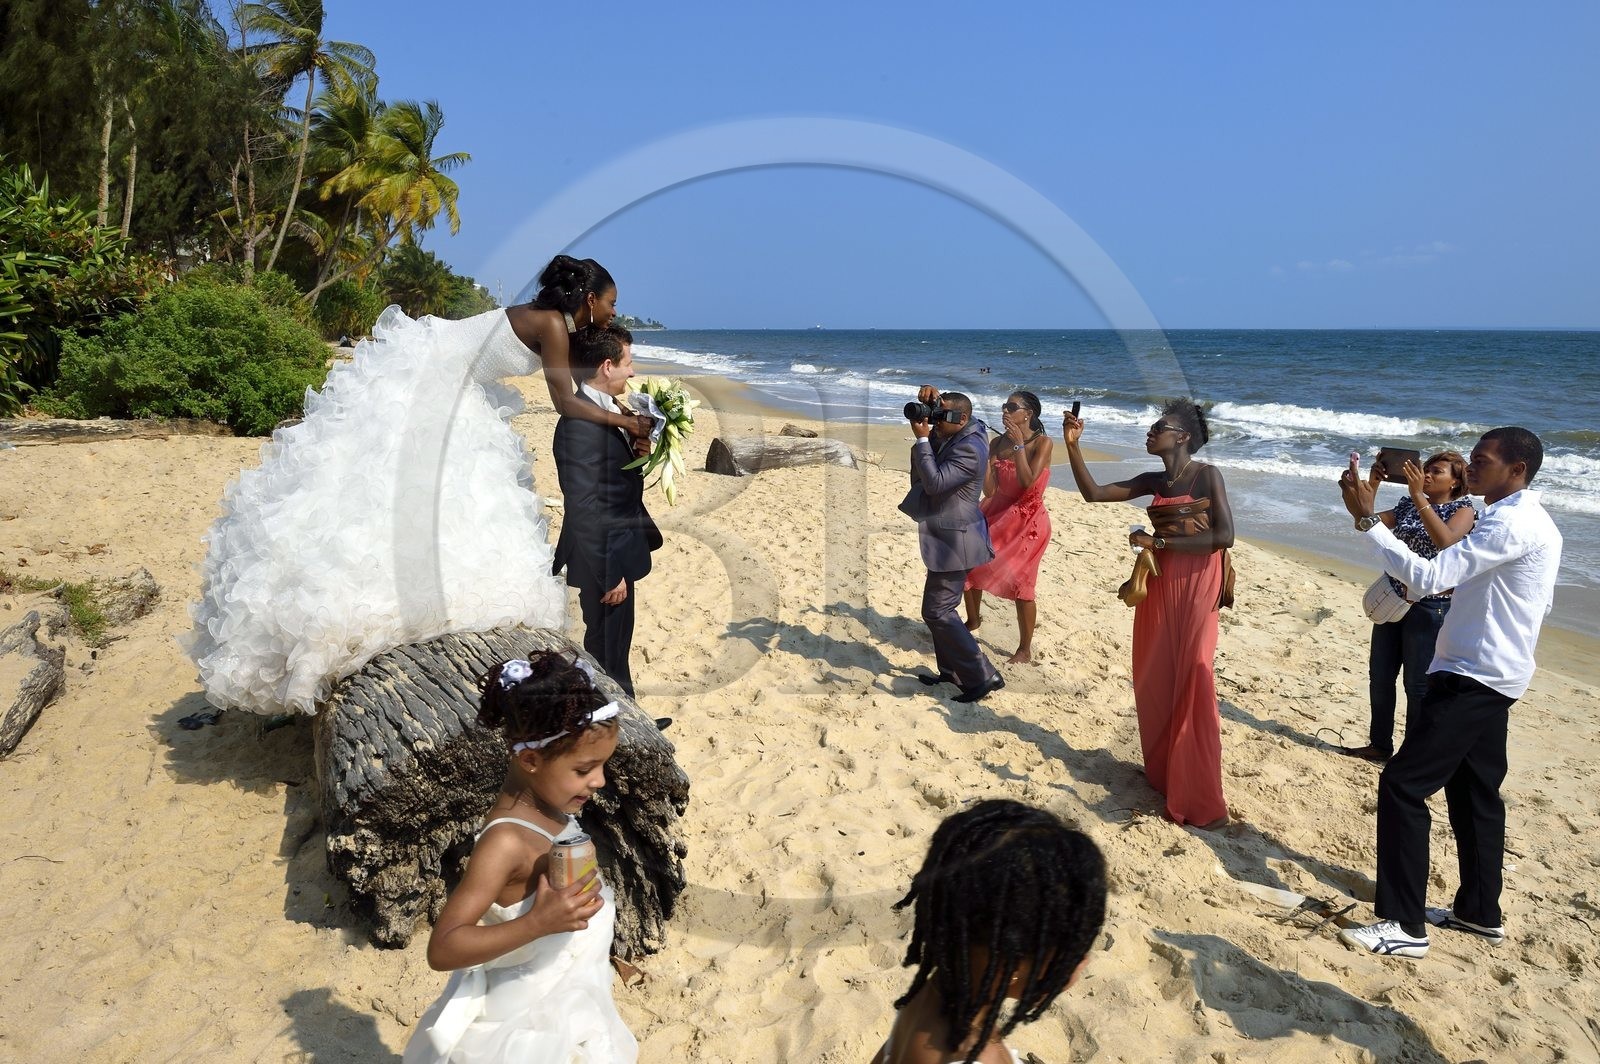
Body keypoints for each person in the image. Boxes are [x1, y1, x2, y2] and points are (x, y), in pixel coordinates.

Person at [183, 255, 652, 715]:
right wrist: (624, 422)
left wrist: (628, 419)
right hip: (432, 383)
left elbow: (587, 379)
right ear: (589, 299)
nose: (613, 311)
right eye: (610, 303)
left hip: (454, 384)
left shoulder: (555, 325)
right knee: (423, 490)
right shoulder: (551, 323)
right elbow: (567, 403)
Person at [1336, 427, 1562, 960]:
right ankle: (1479, 912)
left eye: (1482, 461)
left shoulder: (1511, 522)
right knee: (1475, 794)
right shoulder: (1520, 517)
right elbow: (1536, 601)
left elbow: (1431, 577)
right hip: (1494, 670)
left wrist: (1370, 521)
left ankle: (1404, 925)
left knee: (1403, 785)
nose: (1472, 469)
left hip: (1473, 675)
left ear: (1517, 471)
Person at [404, 652, 637, 1063]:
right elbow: (442, 948)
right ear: (530, 760)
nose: (599, 780)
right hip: (524, 1029)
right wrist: (537, 923)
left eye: (603, 765)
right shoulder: (506, 841)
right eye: (585, 769)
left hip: (568, 1003)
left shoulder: (552, 811)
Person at [1061, 400, 1234, 829]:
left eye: (1160, 427)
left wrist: (1157, 543)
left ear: (1183, 437)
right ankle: (1166, 774)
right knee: (1156, 673)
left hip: (1197, 579)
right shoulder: (1153, 479)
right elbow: (1094, 493)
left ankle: (1199, 797)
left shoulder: (1206, 475)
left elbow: (1224, 536)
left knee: (1194, 672)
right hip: (1159, 582)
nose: (1150, 432)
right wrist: (1073, 446)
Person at [871, 799, 1107, 1064]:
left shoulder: (934, 997)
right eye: (1074, 952)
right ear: (1014, 965)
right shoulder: (961, 1051)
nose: (1085, 960)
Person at [1339, 451, 1476, 763]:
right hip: (1394, 598)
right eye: (1425, 469)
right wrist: (1366, 484)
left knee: (1417, 685)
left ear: (1455, 481)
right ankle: (1379, 745)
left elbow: (1446, 542)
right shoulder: (1407, 505)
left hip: (1430, 607)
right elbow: (1366, 523)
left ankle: (1412, 754)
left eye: (1436, 472)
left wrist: (1418, 497)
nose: (1425, 475)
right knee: (1380, 676)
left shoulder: (1463, 510)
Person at [551, 323, 663, 698]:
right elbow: (583, 506)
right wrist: (610, 571)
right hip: (601, 557)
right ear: (606, 366)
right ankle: (615, 728)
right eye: (628, 363)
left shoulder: (610, 409)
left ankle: (628, 719)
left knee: (617, 647)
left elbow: (609, 480)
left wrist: (635, 453)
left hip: (617, 546)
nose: (633, 372)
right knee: (603, 648)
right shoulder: (577, 426)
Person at [899, 386, 1004, 703]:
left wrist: (920, 440)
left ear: (963, 418)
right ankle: (952, 672)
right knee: (939, 610)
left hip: (957, 539)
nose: (935, 423)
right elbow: (927, 466)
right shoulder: (955, 433)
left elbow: (934, 482)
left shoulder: (971, 447)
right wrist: (931, 414)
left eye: (941, 418)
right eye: (936, 416)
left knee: (937, 611)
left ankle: (983, 674)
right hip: (946, 536)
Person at [964, 391, 1054, 664]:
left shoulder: (1043, 443)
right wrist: (987, 465)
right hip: (996, 512)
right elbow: (990, 490)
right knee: (968, 565)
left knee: (1020, 581)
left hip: (1028, 520)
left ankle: (1025, 649)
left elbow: (1027, 482)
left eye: (1012, 407)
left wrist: (1018, 446)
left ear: (1028, 414)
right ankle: (973, 619)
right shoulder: (996, 442)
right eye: (1004, 406)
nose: (1005, 411)